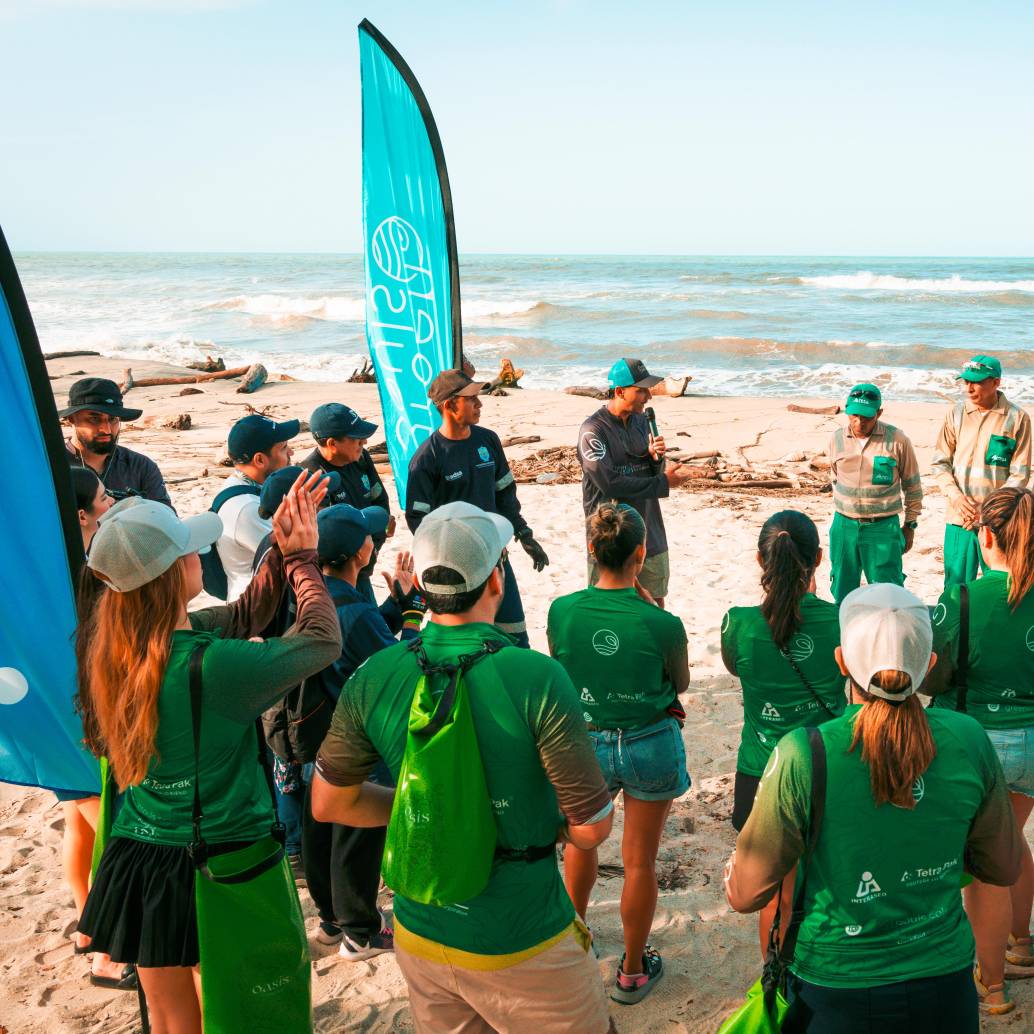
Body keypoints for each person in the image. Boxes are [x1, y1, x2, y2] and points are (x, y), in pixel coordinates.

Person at [312, 501, 617, 1033]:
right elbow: (591, 829)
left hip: (421, 931)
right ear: (496, 579)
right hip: (521, 936)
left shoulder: (376, 672)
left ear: (424, 589)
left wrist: (432, 804)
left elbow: (330, 801)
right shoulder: (537, 677)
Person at [76, 472, 341, 1034]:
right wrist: (305, 562)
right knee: (244, 1005)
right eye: (192, 549)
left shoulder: (117, 647)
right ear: (176, 574)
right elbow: (321, 640)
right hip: (222, 857)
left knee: (171, 1015)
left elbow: (243, 615)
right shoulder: (212, 666)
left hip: (142, 857)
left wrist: (280, 552)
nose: (202, 554)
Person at [724, 583, 1023, 1033]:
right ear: (929, 667)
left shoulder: (805, 753)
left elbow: (745, 895)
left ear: (842, 661)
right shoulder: (967, 739)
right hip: (943, 985)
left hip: (832, 989)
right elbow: (1001, 868)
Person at [547, 502, 690, 1004]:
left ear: (592, 550)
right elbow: (680, 683)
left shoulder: (562, 611)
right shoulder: (661, 623)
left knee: (581, 846)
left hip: (585, 739)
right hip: (648, 740)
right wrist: (652, 614)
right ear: (641, 553)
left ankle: (575, 944)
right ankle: (631, 971)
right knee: (640, 863)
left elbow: (561, 669)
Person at [927, 487, 1034, 1012]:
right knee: (1013, 839)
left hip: (982, 742)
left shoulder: (961, 598)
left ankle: (991, 985)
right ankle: (1022, 942)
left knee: (985, 863)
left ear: (985, 535)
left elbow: (937, 674)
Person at [302, 504, 425, 960]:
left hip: (314, 732)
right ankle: (360, 931)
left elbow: (362, 639)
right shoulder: (354, 609)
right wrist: (413, 615)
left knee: (320, 827)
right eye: (370, 536)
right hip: (355, 739)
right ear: (361, 552)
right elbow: (397, 665)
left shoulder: (317, 594)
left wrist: (394, 606)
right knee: (357, 832)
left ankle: (333, 922)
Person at [720, 510, 845, 952]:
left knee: (775, 892)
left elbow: (735, 667)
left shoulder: (739, 622)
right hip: (829, 767)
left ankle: (774, 980)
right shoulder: (840, 620)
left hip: (762, 770)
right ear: (819, 559)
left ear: (760, 560)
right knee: (827, 880)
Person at [405, 369, 550, 648]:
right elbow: (419, 521)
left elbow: (505, 495)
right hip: (459, 572)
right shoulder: (426, 459)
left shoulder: (488, 441)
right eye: (471, 399)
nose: (480, 404)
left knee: (515, 642)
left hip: (497, 560)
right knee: (468, 646)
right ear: (449, 405)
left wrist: (524, 533)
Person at [58, 466, 131, 989]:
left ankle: (87, 925)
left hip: (60, 713)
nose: (111, 503)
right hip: (81, 713)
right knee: (107, 825)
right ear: (82, 514)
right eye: (105, 499)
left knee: (78, 820)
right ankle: (106, 954)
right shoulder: (81, 572)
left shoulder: (52, 561)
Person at [577, 358, 693, 608]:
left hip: (650, 532)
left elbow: (646, 473)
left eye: (648, 389)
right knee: (609, 609)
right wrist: (663, 483)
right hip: (610, 538)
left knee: (655, 605)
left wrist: (654, 461)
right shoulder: (593, 430)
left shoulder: (642, 421)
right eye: (641, 390)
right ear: (619, 391)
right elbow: (609, 483)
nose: (648, 396)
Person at [931, 355, 1031, 586]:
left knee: (1001, 584)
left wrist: (987, 510)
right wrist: (956, 498)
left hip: (998, 521)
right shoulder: (955, 414)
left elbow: (1020, 474)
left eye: (976, 382)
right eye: (965, 381)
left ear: (996, 382)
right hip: (960, 518)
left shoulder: (1017, 418)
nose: (969, 388)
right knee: (955, 586)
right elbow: (940, 462)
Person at [827, 383, 923, 603]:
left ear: (879, 413)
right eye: (854, 415)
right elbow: (834, 476)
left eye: (867, 417)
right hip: (843, 526)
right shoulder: (836, 439)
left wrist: (910, 525)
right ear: (847, 410)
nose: (859, 422)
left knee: (888, 593)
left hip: (883, 528)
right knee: (842, 589)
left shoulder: (897, 440)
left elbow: (913, 487)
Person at [300, 402, 394, 602]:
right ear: (332, 443)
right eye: (356, 438)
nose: (365, 442)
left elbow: (380, 499)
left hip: (364, 564)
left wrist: (373, 547)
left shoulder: (361, 458)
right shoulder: (312, 474)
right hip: (339, 576)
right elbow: (328, 536)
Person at [214, 412, 299, 601]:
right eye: (284, 448)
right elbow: (294, 556)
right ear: (260, 460)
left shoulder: (240, 485)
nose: (291, 453)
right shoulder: (246, 508)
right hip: (257, 613)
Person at [61, 377, 173, 507]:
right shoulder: (51, 467)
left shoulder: (140, 466)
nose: (106, 429)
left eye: (113, 419)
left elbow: (165, 518)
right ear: (71, 419)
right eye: (94, 419)